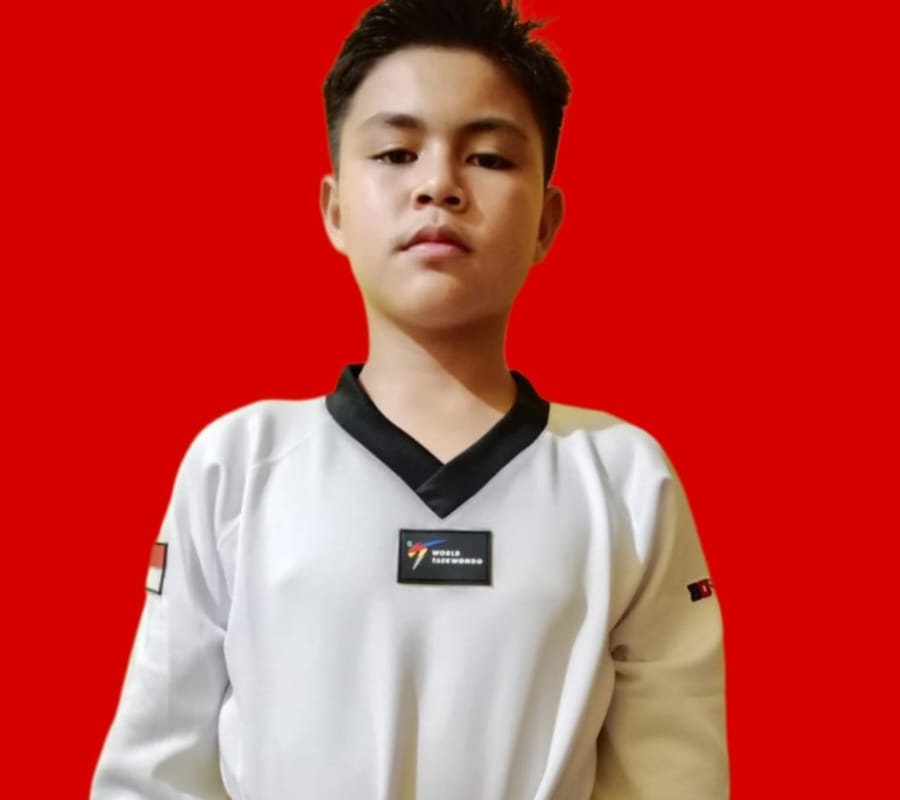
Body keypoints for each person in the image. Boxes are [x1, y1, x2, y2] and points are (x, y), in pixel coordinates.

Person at [91, 0, 729, 797]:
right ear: (334, 210)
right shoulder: (237, 466)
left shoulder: (626, 482)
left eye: (488, 157)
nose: (439, 186)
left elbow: (676, 777)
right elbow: (154, 777)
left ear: (546, 221)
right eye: (397, 152)